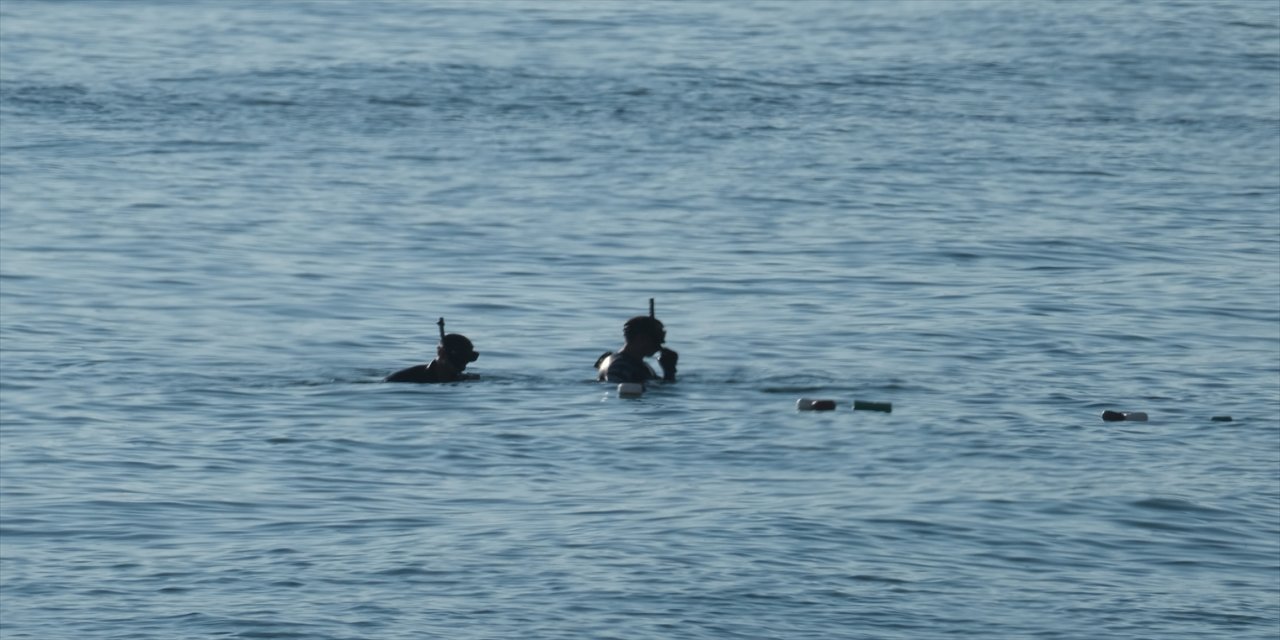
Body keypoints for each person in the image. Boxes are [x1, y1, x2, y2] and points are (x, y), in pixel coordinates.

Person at [595, 315, 678, 384]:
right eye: (657, 340)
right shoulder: (621, 366)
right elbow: (616, 390)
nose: (660, 345)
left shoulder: (639, 365)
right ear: (641, 339)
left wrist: (669, 372)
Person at [385, 333, 479, 383]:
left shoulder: (463, 379)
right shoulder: (403, 378)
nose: (462, 366)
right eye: (459, 359)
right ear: (441, 354)